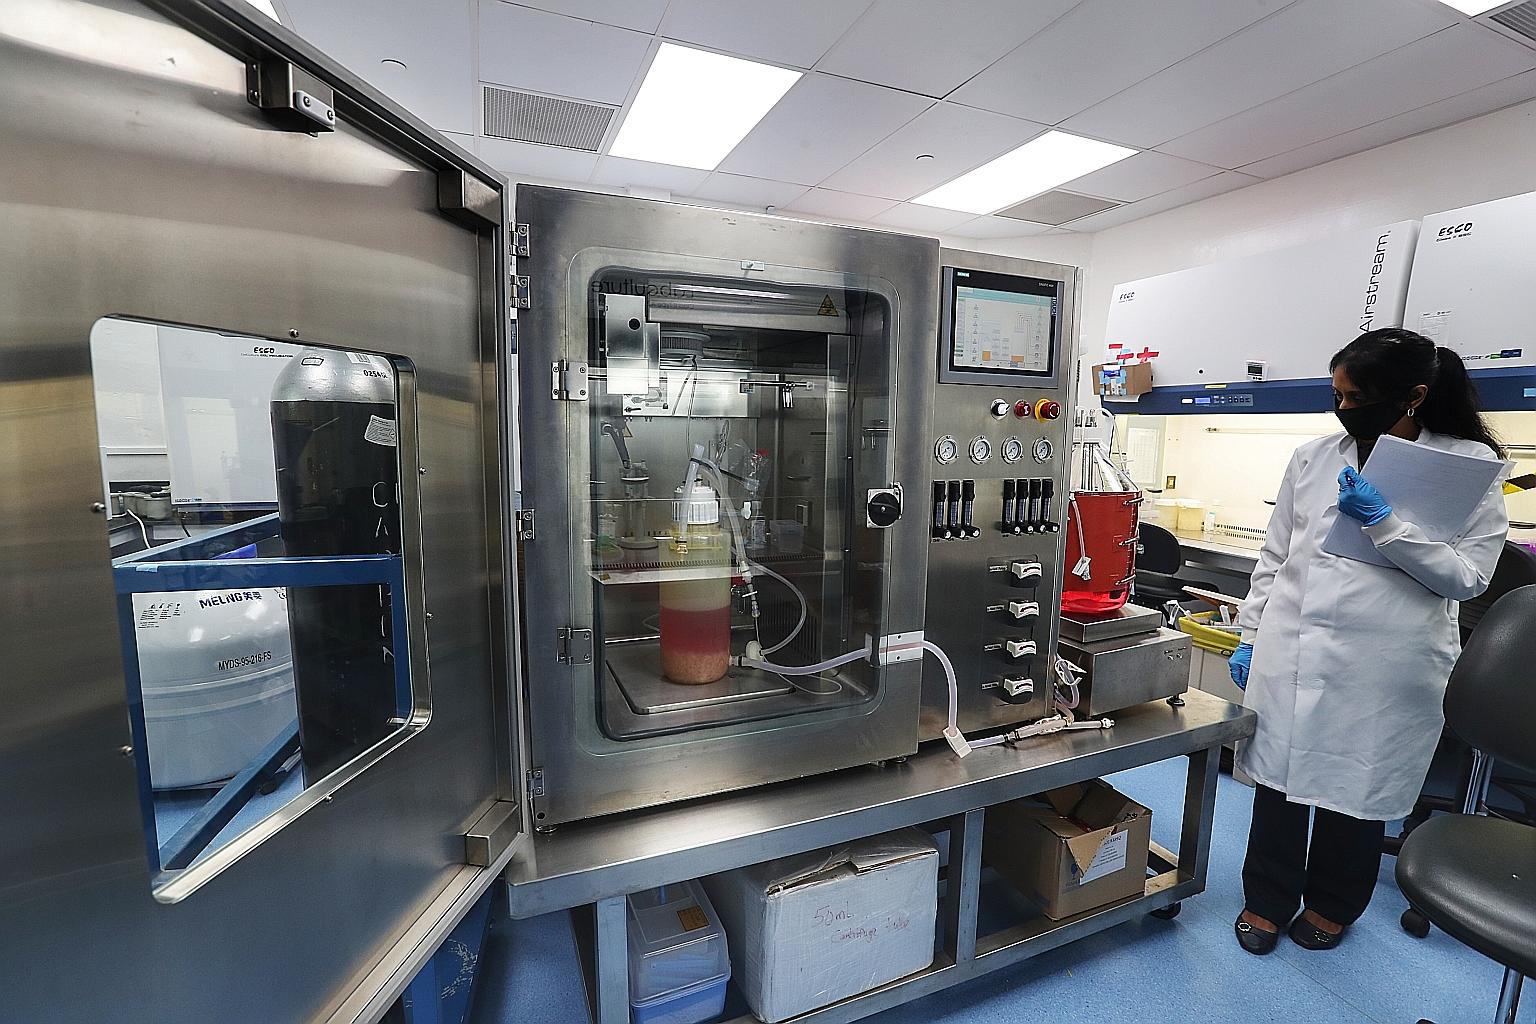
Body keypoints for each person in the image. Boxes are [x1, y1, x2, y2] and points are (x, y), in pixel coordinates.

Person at [1227, 328, 1508, 955]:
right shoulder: (1313, 458)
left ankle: (1333, 904)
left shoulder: (1467, 468)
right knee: (1278, 785)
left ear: (1412, 395)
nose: (1343, 408)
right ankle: (1266, 899)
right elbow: (1275, 559)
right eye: (1338, 395)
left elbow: (1469, 577)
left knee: (1356, 789)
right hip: (1293, 647)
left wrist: (1388, 525)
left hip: (1385, 662)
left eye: (1355, 397)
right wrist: (1250, 635)